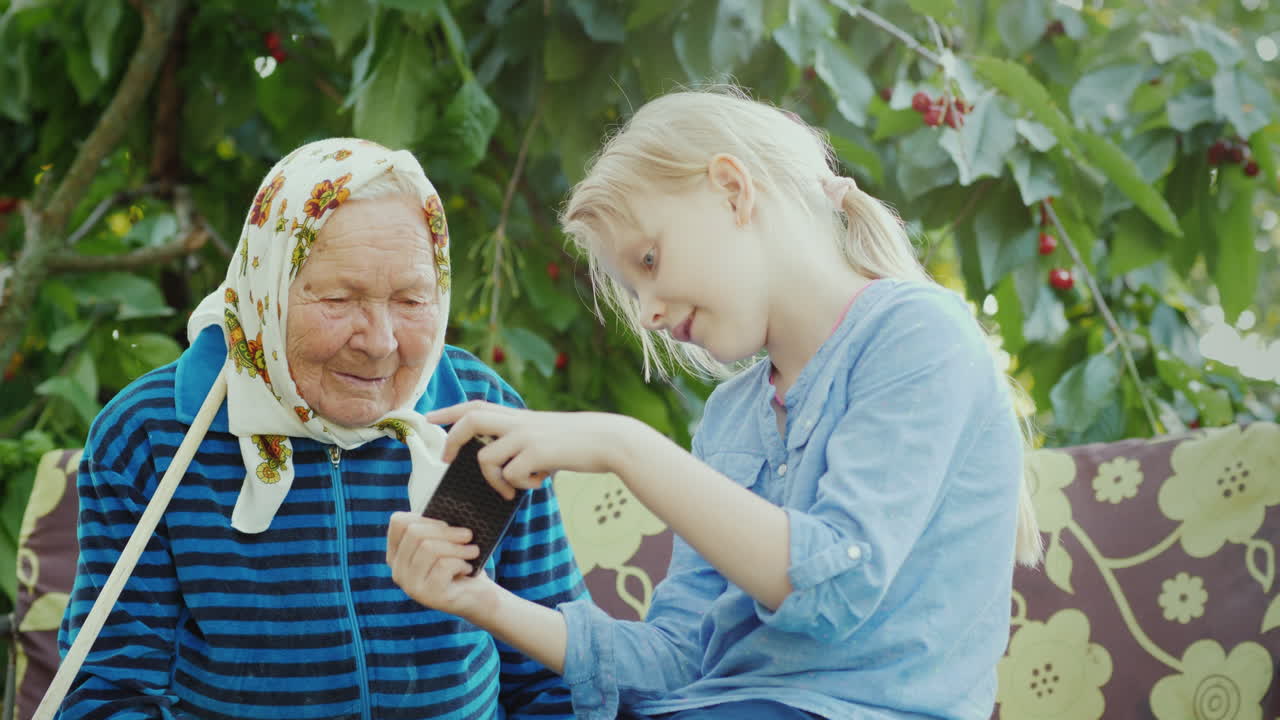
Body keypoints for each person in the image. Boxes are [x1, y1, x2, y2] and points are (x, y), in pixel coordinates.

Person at [385, 88, 1043, 720]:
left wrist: (625, 446)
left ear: (732, 190)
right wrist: (480, 600)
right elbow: (683, 660)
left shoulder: (919, 336)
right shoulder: (733, 416)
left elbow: (835, 588)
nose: (647, 312)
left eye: (649, 259)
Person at [58, 138, 586, 719]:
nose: (380, 342)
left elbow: (558, 675)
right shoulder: (153, 434)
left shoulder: (479, 417)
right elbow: (105, 693)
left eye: (411, 300)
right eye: (339, 297)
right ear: (267, 289)